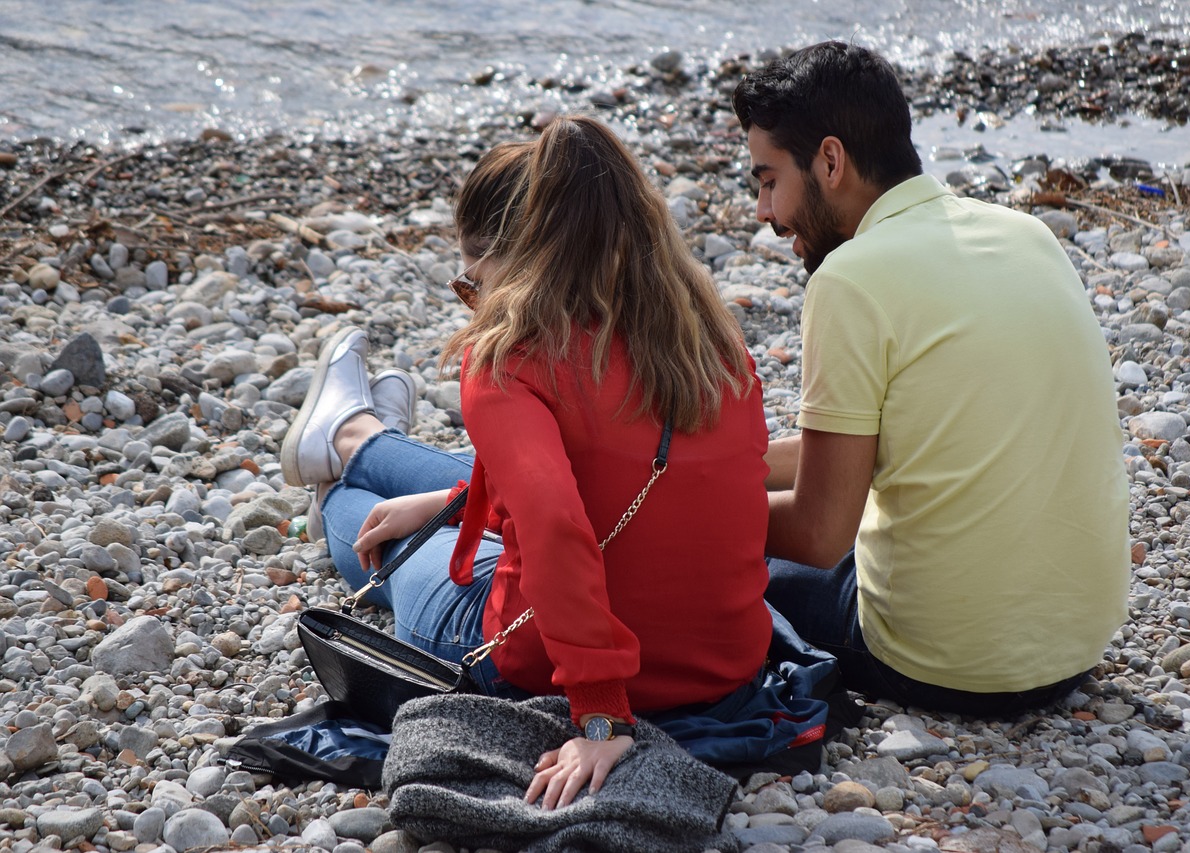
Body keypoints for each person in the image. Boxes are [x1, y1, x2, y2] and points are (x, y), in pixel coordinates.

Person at [281, 117, 774, 807]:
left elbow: (554, 524)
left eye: (470, 286)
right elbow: (666, 493)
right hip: (725, 668)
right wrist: (461, 502)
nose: (476, 306)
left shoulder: (516, 356)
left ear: (515, 261)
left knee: (353, 513)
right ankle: (364, 434)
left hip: (547, 660)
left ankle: (340, 449)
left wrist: (600, 713)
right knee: (461, 480)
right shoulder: (717, 346)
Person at [732, 42, 1130, 717]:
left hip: (946, 660)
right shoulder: (1026, 233)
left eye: (769, 181)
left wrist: (681, 510)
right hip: (1077, 640)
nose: (766, 214)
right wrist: (728, 466)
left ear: (830, 161)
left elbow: (821, 530)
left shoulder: (850, 279)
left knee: (735, 563)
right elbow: (909, 434)